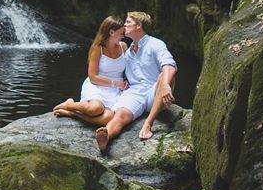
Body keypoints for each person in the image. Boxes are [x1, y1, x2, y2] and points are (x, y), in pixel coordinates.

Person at [94, 11, 177, 153]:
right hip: (135, 92)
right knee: (120, 114)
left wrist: (166, 85)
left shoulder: (155, 44)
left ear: (139, 26)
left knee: (164, 74)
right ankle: (106, 136)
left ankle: (148, 123)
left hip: (156, 92)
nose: (124, 25)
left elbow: (169, 64)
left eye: (128, 22)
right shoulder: (127, 52)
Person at [52, 16, 129, 127]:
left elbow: (129, 69)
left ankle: (72, 112)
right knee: (95, 109)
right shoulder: (98, 48)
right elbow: (93, 77)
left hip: (116, 90)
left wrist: (126, 81)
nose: (123, 36)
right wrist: (115, 83)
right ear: (111, 32)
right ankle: (69, 105)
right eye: (121, 33)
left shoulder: (124, 47)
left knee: (108, 118)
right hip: (97, 84)